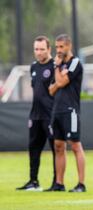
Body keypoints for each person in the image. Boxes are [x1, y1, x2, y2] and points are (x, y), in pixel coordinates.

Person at [16, 36, 56, 191]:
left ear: (49, 49)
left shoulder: (54, 66)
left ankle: (56, 182)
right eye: (36, 49)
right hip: (35, 115)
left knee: (55, 149)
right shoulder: (33, 67)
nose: (38, 53)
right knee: (33, 147)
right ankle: (33, 181)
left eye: (42, 49)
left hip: (50, 114)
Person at [47, 34, 86, 192]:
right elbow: (51, 89)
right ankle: (59, 183)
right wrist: (59, 78)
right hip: (57, 110)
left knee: (75, 146)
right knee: (58, 146)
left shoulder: (74, 62)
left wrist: (57, 69)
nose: (59, 50)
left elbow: (62, 82)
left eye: (61, 47)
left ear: (69, 46)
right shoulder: (60, 65)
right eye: (57, 47)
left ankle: (81, 184)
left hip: (70, 111)